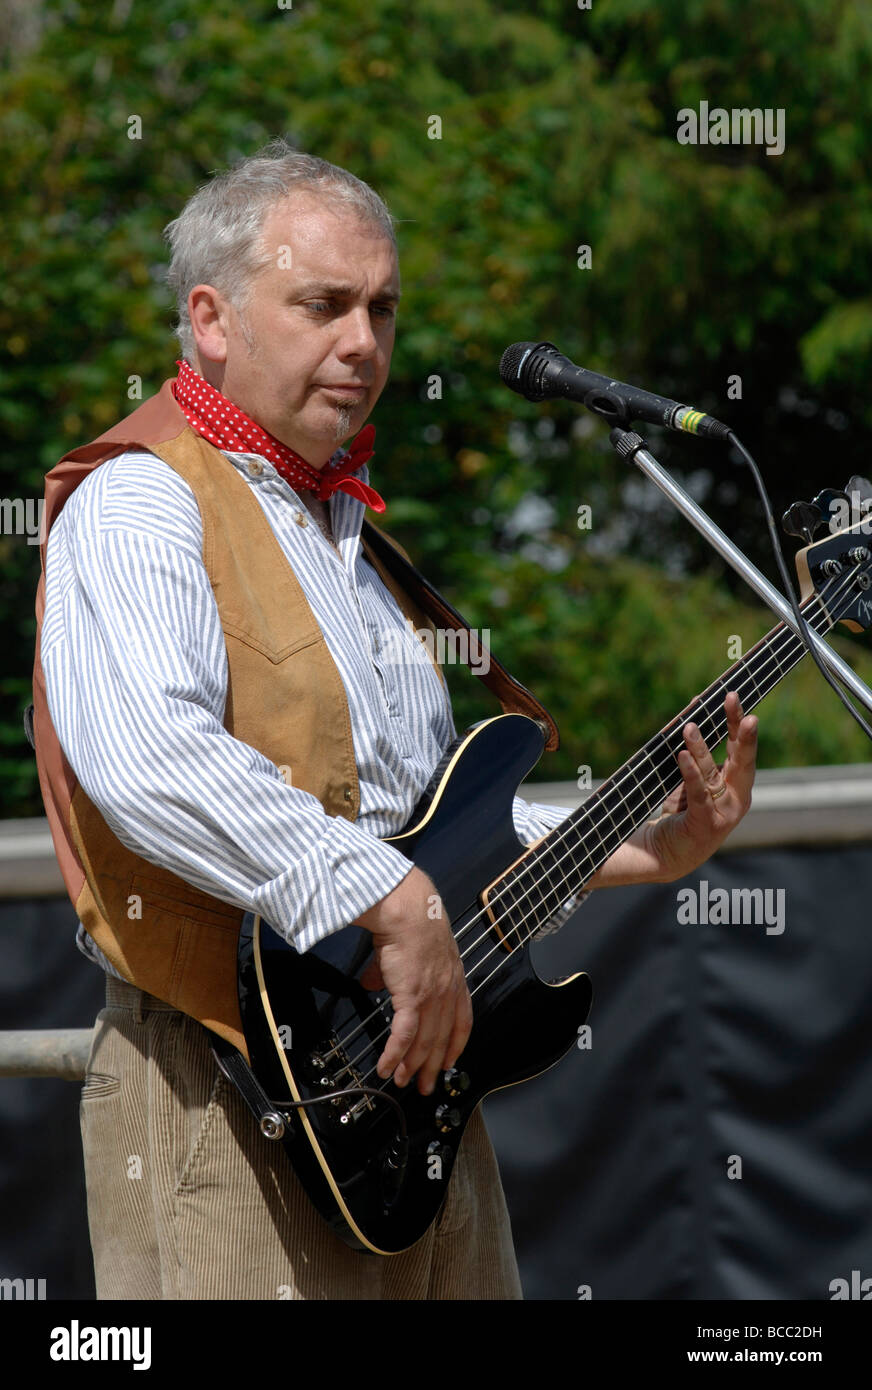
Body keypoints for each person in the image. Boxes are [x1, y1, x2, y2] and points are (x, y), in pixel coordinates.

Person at [32, 141, 758, 1300]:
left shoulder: (352, 544)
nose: (364, 343)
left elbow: (425, 836)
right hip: (224, 1090)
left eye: (381, 308)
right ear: (211, 319)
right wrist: (388, 897)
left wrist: (654, 847)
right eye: (323, 304)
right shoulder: (138, 499)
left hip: (415, 1088)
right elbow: (147, 758)